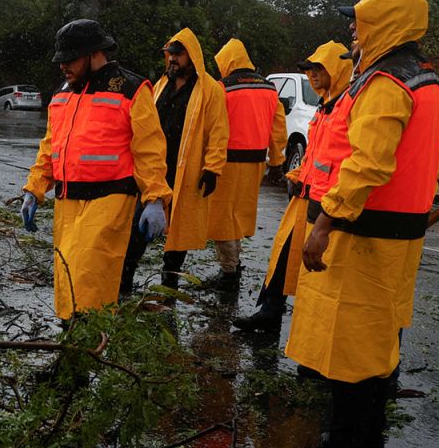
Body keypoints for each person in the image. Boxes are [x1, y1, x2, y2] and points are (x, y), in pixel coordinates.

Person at [280, 0, 439, 448]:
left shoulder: (385, 83)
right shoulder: (427, 81)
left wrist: (325, 224)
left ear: (384, 25)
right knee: (374, 358)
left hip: (364, 239)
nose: (352, 30)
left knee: (349, 359)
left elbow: (368, 163)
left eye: (360, 21)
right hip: (395, 241)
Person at [21, 20, 171, 319]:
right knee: (66, 279)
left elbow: (149, 148)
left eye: (70, 59)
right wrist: (34, 189)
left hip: (110, 198)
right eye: (61, 60)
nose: (63, 66)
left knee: (88, 279)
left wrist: (155, 198)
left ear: (94, 54)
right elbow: (51, 145)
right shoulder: (63, 92)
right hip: (68, 201)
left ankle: (84, 349)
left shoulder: (130, 88)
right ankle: (73, 350)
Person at [233, 41, 353, 332]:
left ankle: (287, 319)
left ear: (337, 70)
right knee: (282, 255)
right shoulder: (325, 107)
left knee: (311, 266)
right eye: (309, 70)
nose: (312, 75)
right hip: (304, 196)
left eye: (318, 69)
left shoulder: (346, 107)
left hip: (325, 205)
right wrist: (297, 172)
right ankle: (270, 310)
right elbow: (318, 154)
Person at [120, 29, 228, 293]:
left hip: (186, 172)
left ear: (191, 56)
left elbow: (218, 130)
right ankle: (124, 281)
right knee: (136, 228)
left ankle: (168, 286)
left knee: (178, 235)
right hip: (154, 170)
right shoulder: (160, 85)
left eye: (178, 54)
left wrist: (213, 167)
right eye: (169, 54)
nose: (172, 60)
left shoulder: (210, 90)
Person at [204, 39, 287, 290]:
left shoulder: (223, 88)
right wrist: (277, 161)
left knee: (222, 217)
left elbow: (213, 127)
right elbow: (278, 128)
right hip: (255, 163)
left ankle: (229, 272)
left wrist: (207, 161)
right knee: (239, 214)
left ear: (228, 61)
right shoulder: (270, 88)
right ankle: (235, 262)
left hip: (226, 162)